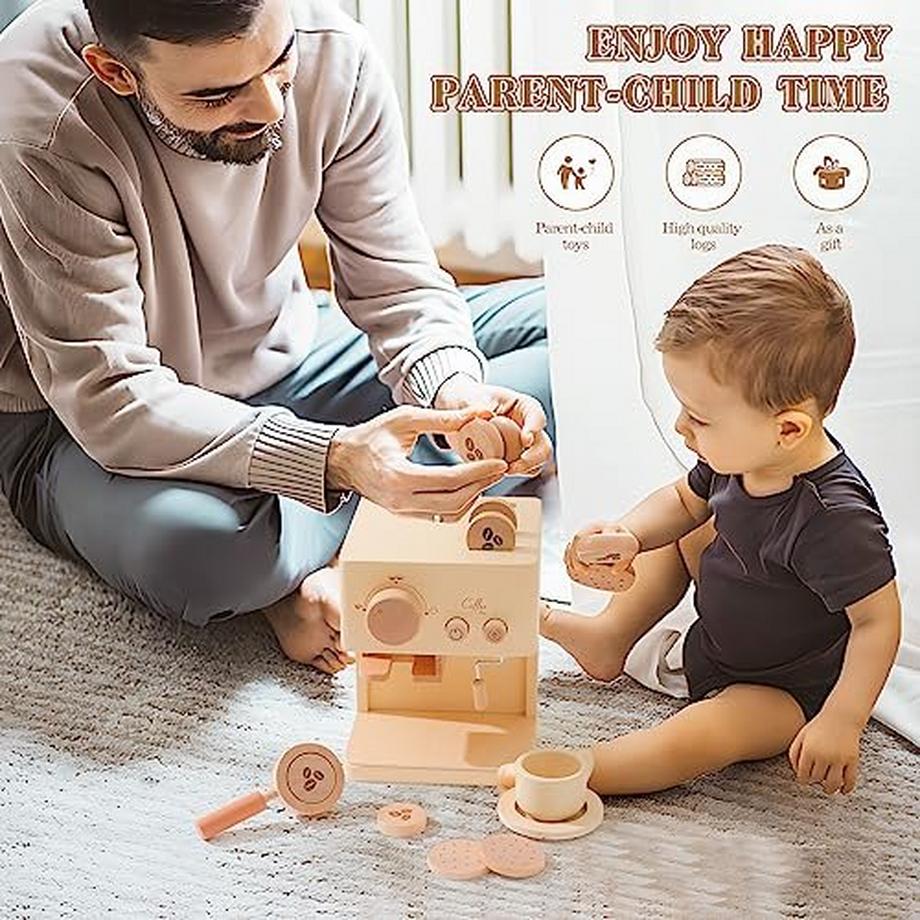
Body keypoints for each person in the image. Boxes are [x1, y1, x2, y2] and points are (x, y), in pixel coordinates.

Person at [0, 0, 554, 674]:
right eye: (217, 94)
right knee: (201, 553)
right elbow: (112, 400)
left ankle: (341, 529)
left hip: (288, 350)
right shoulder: (40, 119)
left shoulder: (335, 54)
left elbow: (398, 285)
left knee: (579, 336)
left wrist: (456, 397)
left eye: (279, 64)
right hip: (82, 428)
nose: (268, 108)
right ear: (114, 72)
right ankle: (362, 520)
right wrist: (337, 457)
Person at [542, 245, 900, 797]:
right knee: (687, 521)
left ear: (788, 430)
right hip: (719, 638)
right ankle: (609, 636)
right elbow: (683, 502)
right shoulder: (739, 458)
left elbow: (878, 622)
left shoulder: (836, 519)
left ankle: (585, 768)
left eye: (700, 416)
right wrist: (631, 534)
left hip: (783, 690)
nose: (681, 426)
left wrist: (842, 720)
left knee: (708, 733)